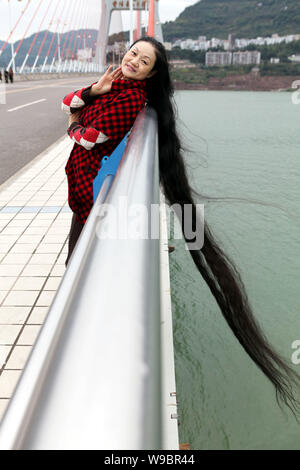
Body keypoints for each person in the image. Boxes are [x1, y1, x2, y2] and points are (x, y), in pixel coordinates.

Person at [62, 36, 300, 418]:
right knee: (76, 265)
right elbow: (69, 103)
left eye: (144, 60)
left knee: (78, 269)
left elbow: (89, 138)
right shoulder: (115, 87)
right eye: (133, 53)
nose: (134, 60)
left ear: (153, 72)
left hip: (93, 201)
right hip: (85, 196)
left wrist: (73, 125)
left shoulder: (129, 99)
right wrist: (92, 91)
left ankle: (80, 351)